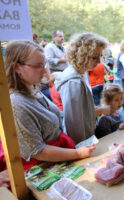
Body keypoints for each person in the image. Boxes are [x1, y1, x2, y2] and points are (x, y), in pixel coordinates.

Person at [2, 40, 95, 171]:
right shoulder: (16, 104)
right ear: (17, 67)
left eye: (44, 64)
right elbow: (37, 151)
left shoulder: (33, 89)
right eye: (38, 66)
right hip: (43, 168)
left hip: (57, 160)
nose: (45, 71)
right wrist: (77, 153)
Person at [55, 33, 111, 144]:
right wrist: (80, 148)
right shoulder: (73, 82)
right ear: (81, 56)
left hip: (87, 135)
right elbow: (73, 123)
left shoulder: (83, 73)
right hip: (80, 142)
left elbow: (80, 108)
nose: (99, 62)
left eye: (100, 56)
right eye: (95, 58)